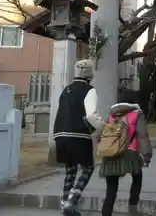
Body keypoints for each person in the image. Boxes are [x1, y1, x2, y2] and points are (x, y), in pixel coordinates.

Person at [53, 59, 102, 216]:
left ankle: (64, 202)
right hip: (78, 135)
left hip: (59, 134)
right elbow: (92, 115)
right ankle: (72, 200)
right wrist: (103, 128)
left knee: (70, 169)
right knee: (88, 168)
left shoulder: (66, 90)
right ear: (90, 74)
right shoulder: (89, 90)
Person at [99, 93, 153, 216]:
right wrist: (147, 155)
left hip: (111, 153)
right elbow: (142, 135)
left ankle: (106, 213)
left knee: (111, 188)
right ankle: (132, 209)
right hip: (130, 152)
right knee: (137, 177)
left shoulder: (112, 115)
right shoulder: (137, 114)